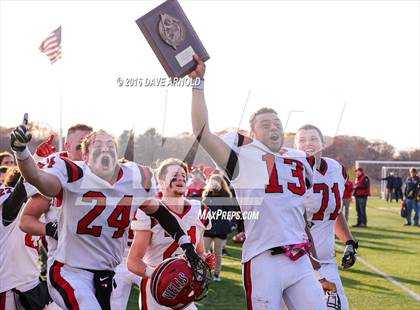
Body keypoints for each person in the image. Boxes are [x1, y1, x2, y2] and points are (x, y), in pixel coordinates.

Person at [10, 115, 206, 310]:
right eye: (97, 145)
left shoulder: (134, 177)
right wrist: (22, 152)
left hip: (107, 273)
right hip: (69, 270)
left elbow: (159, 211)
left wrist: (185, 243)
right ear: (85, 157)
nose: (105, 149)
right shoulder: (73, 174)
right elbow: (38, 179)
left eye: (110, 145)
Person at [189, 56, 334, 309]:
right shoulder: (243, 158)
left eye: (277, 123)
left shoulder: (300, 160)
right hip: (263, 259)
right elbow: (202, 132)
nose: (273, 127)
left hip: (299, 257)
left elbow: (298, 213)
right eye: (265, 124)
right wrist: (198, 84)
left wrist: (314, 257)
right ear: (253, 134)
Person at [127, 158, 215, 309]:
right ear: (161, 182)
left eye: (183, 175)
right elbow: (133, 261)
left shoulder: (199, 210)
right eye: (174, 175)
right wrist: (159, 275)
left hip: (185, 287)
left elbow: (199, 251)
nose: (180, 178)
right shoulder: (150, 211)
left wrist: (204, 260)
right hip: (157, 291)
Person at [295, 124, 358, 310]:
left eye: (313, 139)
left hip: (326, 261)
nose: (308, 143)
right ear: (295, 145)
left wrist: (349, 243)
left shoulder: (336, 169)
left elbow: (333, 212)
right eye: (302, 140)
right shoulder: (288, 172)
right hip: (295, 262)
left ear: (323, 143)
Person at [0, 168, 53, 310]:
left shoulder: (37, 210)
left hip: (31, 283)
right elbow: (21, 189)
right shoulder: (11, 211)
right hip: (10, 286)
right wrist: (35, 160)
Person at [202, 173, 233, 282]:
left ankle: (216, 274)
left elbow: (230, 212)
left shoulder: (225, 195)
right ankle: (204, 273)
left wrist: (230, 224)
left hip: (220, 229)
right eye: (212, 181)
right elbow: (203, 210)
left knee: (217, 252)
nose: (214, 183)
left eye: (217, 181)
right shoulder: (207, 194)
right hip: (208, 228)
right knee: (204, 252)